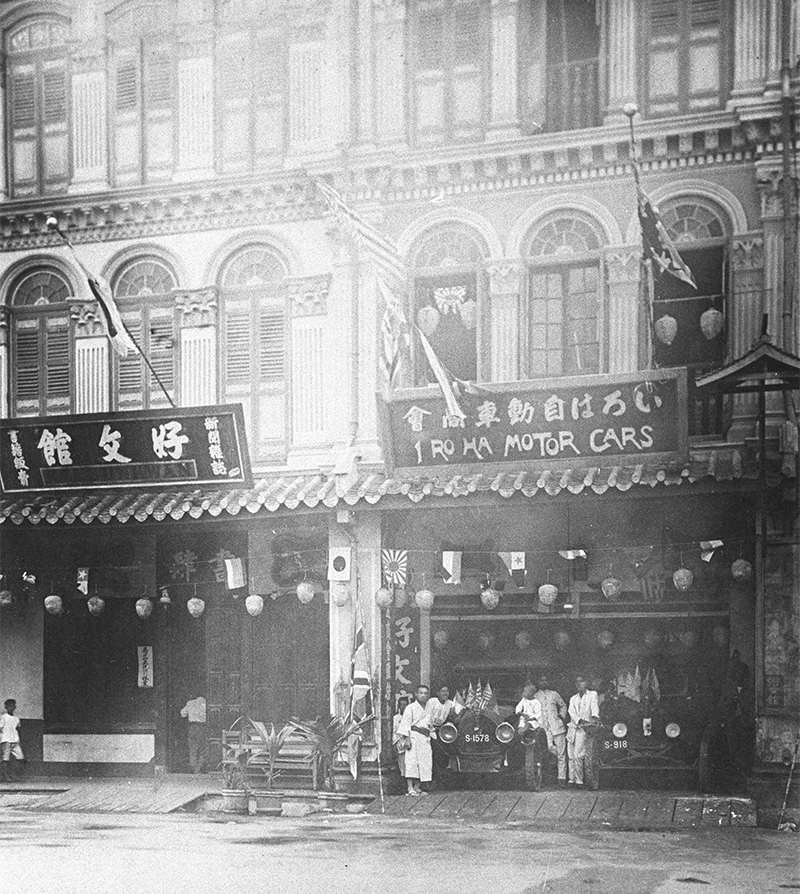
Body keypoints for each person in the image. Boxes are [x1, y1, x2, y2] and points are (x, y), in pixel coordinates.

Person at [396, 684, 433, 796]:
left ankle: (417, 786)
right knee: (411, 762)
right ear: (416, 694)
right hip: (414, 737)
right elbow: (406, 724)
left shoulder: (429, 708)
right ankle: (410, 787)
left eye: (425, 693)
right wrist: (407, 739)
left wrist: (430, 732)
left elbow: (431, 724)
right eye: (421, 693)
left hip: (424, 738)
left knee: (424, 762)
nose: (423, 695)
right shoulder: (410, 708)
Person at [534, 675, 569, 786]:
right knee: (545, 751)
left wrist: (561, 716)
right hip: (543, 729)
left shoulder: (554, 694)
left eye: (545, 680)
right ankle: (545, 779)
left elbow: (563, 705)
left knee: (561, 753)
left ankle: (562, 779)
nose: (543, 682)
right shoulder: (535, 696)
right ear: (538, 682)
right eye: (541, 680)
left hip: (557, 727)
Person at [567, 675, 600, 787]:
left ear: (586, 682)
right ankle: (572, 779)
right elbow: (572, 713)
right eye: (577, 682)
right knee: (571, 756)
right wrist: (580, 720)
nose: (579, 684)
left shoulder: (592, 694)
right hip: (573, 728)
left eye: (581, 681)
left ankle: (580, 780)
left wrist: (594, 718)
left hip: (584, 729)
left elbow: (595, 708)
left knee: (578, 755)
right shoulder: (573, 698)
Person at [180, 693, 207, 774]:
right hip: (202, 727)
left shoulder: (190, 703)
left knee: (193, 748)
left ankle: (193, 766)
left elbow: (182, 713)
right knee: (204, 749)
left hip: (192, 727)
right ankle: (198, 767)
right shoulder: (207, 703)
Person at [0, 699, 24, 782]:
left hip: (15, 740)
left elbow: (18, 729)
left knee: (20, 758)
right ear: (6, 707)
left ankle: (13, 774)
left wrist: (19, 739)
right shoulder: (3, 717)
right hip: (6, 740)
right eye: (9, 706)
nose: (11, 708)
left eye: (13, 706)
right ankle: (5, 776)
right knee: (5, 759)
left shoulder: (16, 718)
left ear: (15, 707)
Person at [392, 696, 410, 778]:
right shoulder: (396, 718)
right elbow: (394, 731)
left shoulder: (410, 717)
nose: (404, 707)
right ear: (399, 706)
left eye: (405, 705)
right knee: (401, 764)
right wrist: (395, 743)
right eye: (402, 705)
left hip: (408, 743)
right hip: (399, 743)